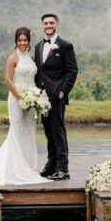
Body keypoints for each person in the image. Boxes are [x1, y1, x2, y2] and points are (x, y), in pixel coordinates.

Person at [0, 27, 46, 186]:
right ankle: (14, 167)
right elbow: (8, 81)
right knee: (17, 130)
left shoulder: (32, 57)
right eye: (20, 40)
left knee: (29, 131)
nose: (22, 43)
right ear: (15, 42)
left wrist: (34, 97)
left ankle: (27, 165)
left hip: (31, 99)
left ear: (29, 42)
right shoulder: (12, 59)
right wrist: (20, 98)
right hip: (16, 98)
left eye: (25, 40)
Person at [34, 13, 78, 181]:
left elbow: (72, 71)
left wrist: (63, 91)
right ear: (42, 25)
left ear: (57, 25)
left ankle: (63, 169)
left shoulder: (65, 46)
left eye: (51, 23)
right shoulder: (38, 46)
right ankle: (51, 165)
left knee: (58, 132)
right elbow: (39, 71)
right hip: (42, 98)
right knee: (48, 132)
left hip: (56, 97)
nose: (48, 25)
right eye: (46, 23)